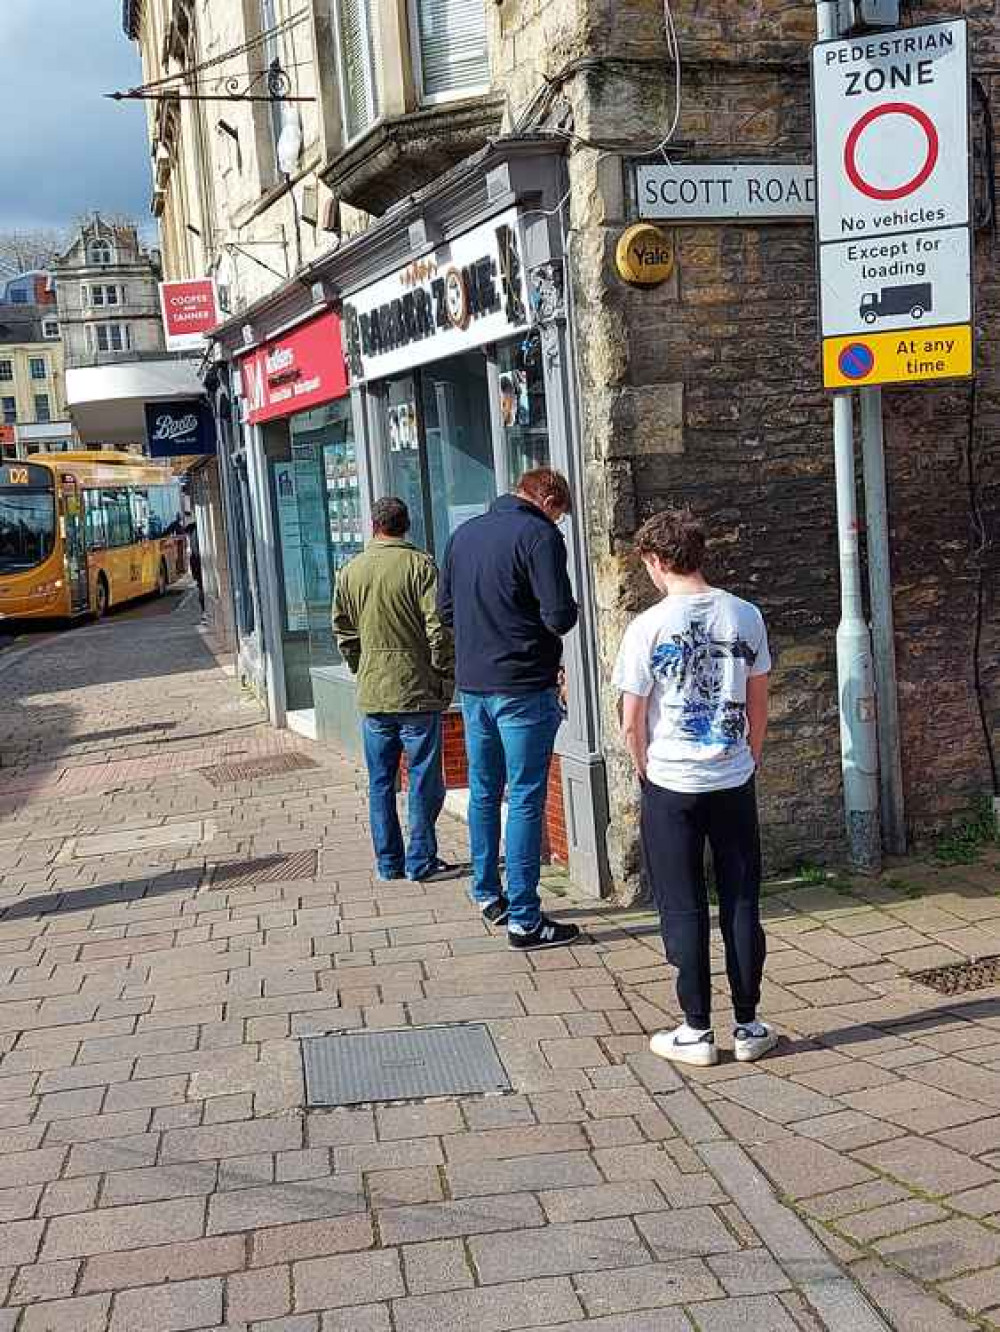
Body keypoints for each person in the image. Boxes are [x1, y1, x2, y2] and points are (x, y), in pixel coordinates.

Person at [612, 507, 777, 1067]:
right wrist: (749, 758)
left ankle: (697, 1029)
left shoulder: (647, 627)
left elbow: (632, 719)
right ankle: (749, 1024)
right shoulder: (746, 615)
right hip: (732, 777)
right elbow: (759, 702)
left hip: (671, 782)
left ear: (658, 561)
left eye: (649, 565)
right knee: (740, 897)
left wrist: (644, 769)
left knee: (682, 904)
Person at [438, 467, 581, 951]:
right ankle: (525, 918)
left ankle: (486, 892)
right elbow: (559, 616)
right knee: (523, 796)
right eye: (559, 515)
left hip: (474, 687)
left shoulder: (464, 535)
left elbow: (446, 612)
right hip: (522, 685)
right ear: (548, 500)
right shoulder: (538, 537)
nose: (558, 524)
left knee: (483, 789)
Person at [334, 497, 456, 885]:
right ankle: (421, 859)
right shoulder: (420, 566)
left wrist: (360, 666)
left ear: (374, 526)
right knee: (423, 778)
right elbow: (438, 627)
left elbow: (343, 630)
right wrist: (442, 671)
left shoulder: (351, 571)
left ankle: (389, 862)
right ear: (407, 525)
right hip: (417, 689)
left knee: (381, 782)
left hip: (375, 692)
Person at [186, 521, 205, 615]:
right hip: (199, 569)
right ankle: (204, 611)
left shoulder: (194, 536)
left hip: (199, 569)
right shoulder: (196, 534)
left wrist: (195, 575)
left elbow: (195, 555)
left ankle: (204, 611)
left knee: (201, 590)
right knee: (201, 589)